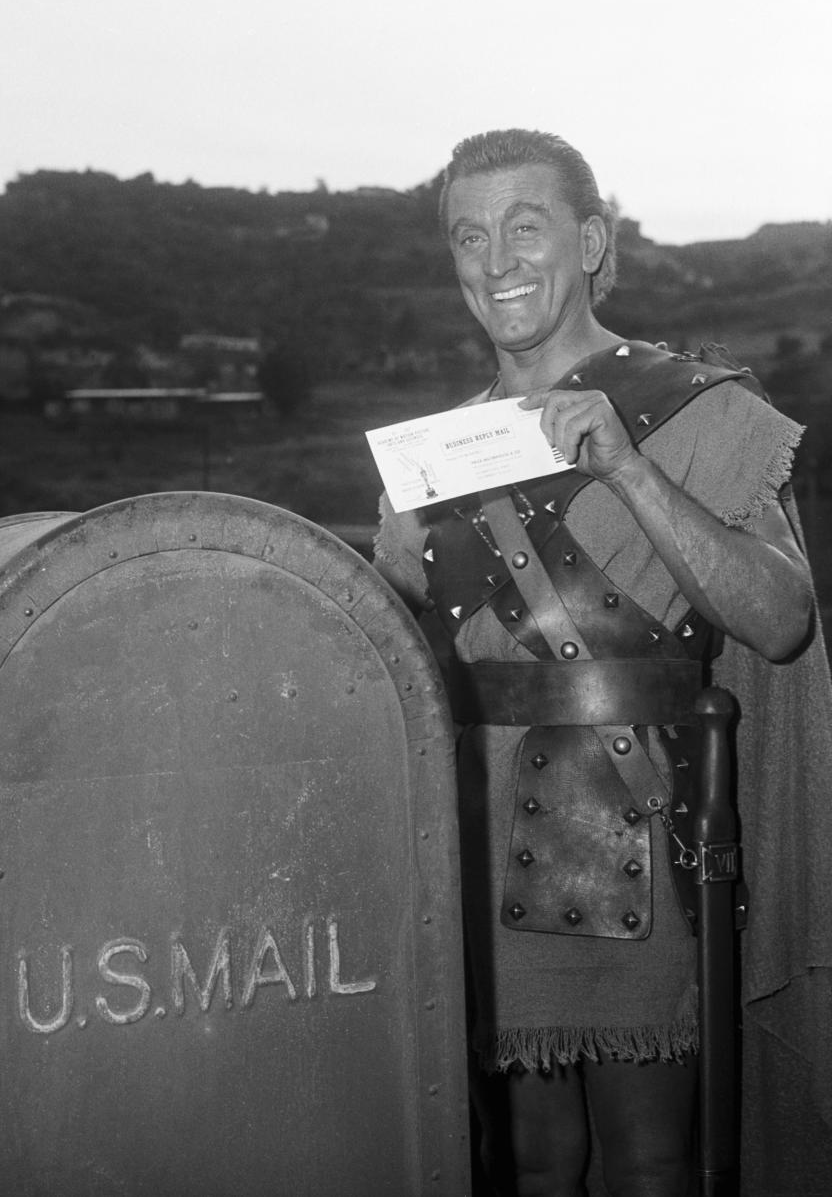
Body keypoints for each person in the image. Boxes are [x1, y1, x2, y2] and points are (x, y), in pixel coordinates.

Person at [373, 128, 832, 1196]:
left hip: (641, 832)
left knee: (650, 1161)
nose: (496, 262)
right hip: (480, 843)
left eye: (524, 228)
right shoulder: (430, 457)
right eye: (468, 237)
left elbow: (781, 618)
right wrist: (390, 573)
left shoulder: (700, 408)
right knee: (523, 1158)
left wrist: (626, 466)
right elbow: (422, 677)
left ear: (589, 240)